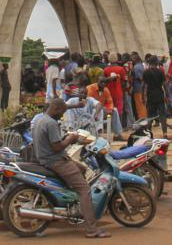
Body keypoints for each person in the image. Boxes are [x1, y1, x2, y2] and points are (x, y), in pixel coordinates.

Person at [31, 98, 109, 238]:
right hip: (55, 161)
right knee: (84, 190)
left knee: (83, 169)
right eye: (61, 112)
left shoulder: (40, 119)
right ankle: (92, 229)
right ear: (55, 109)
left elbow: (54, 142)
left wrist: (66, 137)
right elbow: (57, 147)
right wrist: (70, 139)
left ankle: (74, 202)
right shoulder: (51, 123)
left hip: (47, 158)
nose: (62, 115)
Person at [142, 56, 168, 136]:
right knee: (162, 115)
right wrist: (167, 95)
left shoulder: (146, 72)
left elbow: (144, 85)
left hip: (150, 95)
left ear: (149, 62)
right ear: (156, 62)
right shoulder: (160, 71)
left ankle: (149, 134)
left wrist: (143, 96)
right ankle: (165, 133)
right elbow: (164, 84)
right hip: (159, 94)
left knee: (150, 115)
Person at [102, 58, 127, 127]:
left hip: (108, 93)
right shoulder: (121, 69)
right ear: (116, 60)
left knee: (110, 109)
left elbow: (103, 81)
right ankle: (120, 126)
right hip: (119, 93)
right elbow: (124, 82)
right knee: (119, 111)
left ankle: (111, 126)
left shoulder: (105, 70)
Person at [131, 53, 147, 119]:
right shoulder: (141, 66)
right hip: (142, 89)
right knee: (143, 105)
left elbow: (139, 78)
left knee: (139, 106)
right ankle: (145, 118)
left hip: (138, 89)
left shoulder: (136, 67)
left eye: (132, 59)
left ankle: (142, 120)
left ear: (135, 59)